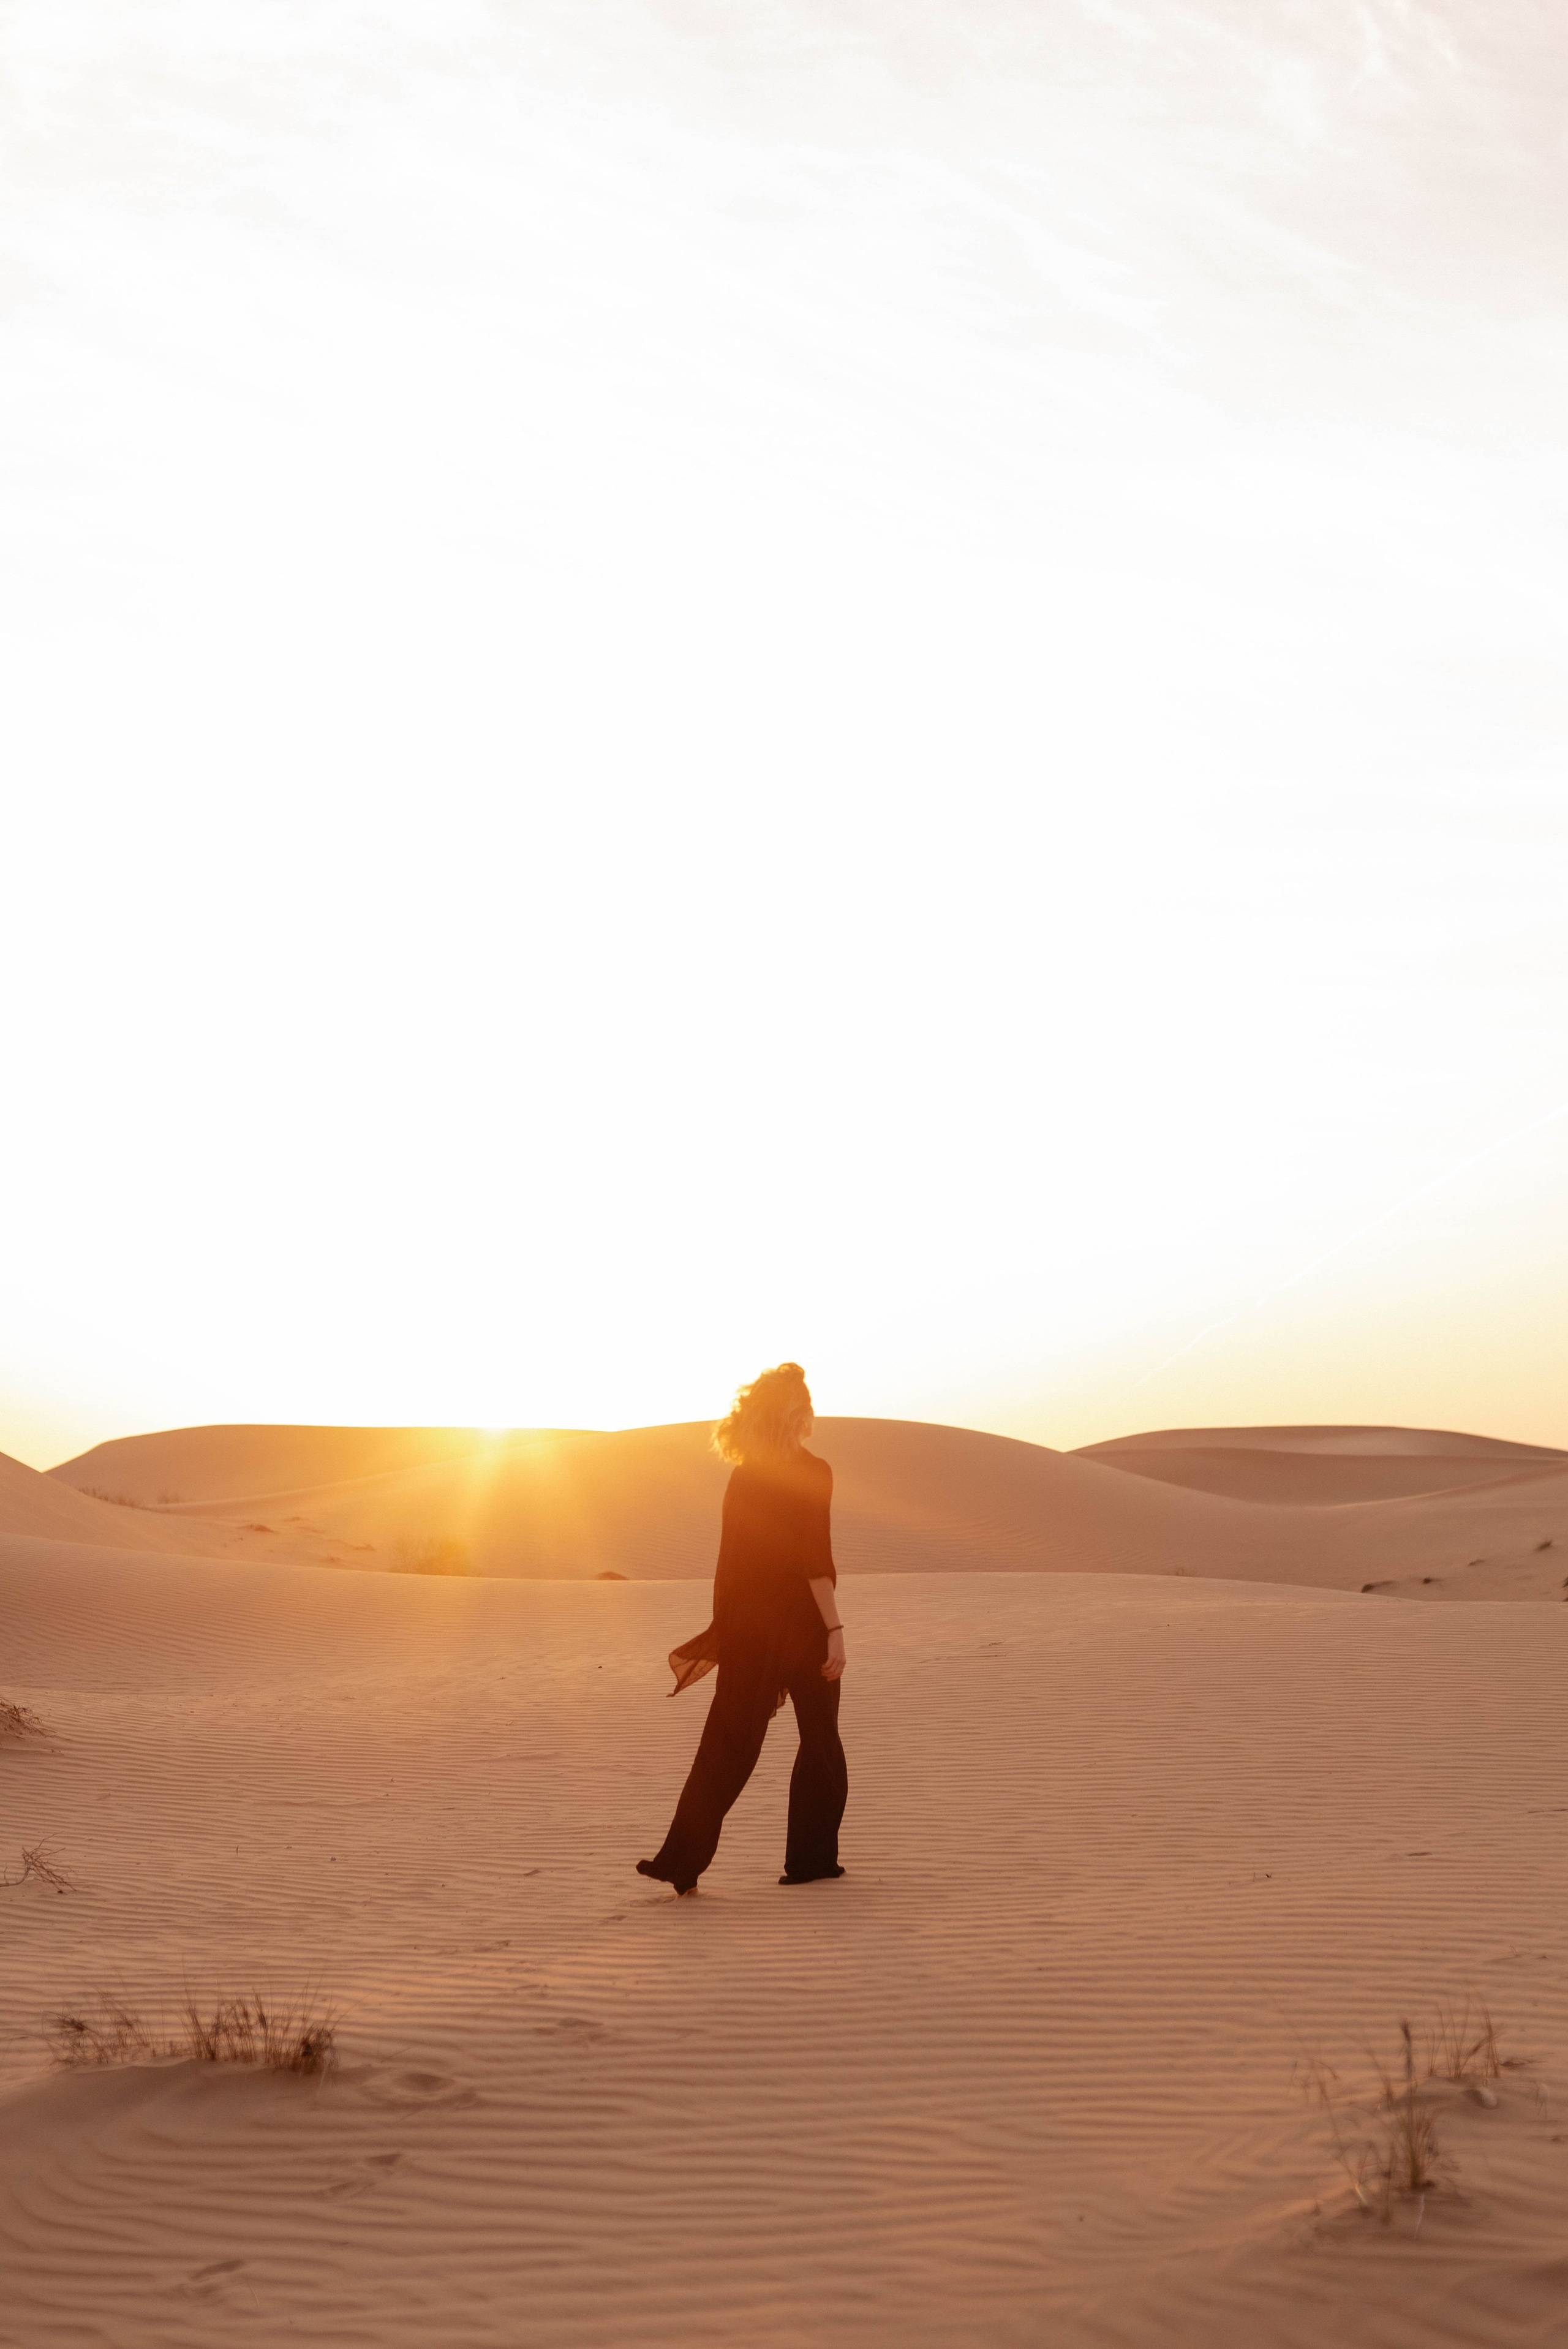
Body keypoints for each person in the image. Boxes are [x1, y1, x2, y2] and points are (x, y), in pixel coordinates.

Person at [637, 1362, 848, 1895]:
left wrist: (729, 1628)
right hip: (803, 1625)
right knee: (821, 1741)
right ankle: (810, 1861)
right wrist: (836, 1629)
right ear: (799, 1413)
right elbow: (814, 1560)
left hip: (752, 1627)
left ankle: (681, 1861)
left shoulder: (745, 1475)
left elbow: (730, 1562)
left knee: (728, 1745)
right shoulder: (814, 1470)